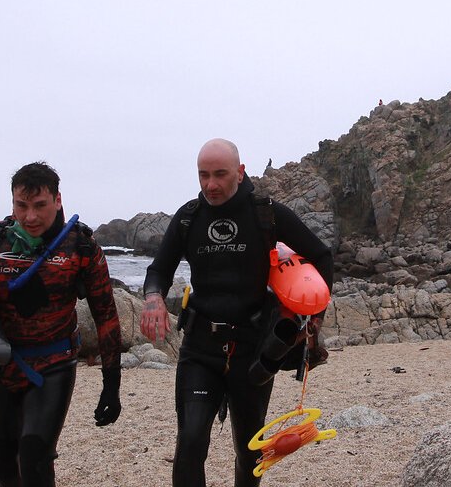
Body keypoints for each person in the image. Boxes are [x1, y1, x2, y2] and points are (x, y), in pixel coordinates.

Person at [140, 139, 333, 487]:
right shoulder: (188, 218)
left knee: (249, 451)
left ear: (240, 172)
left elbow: (321, 256)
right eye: (203, 175)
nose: (210, 185)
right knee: (191, 442)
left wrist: (314, 319)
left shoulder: (266, 213)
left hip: (253, 351)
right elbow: (159, 270)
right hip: (200, 349)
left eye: (220, 174)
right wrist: (153, 298)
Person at [0, 162, 122, 487]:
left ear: (58, 200)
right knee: (6, 468)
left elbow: (105, 315)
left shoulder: (82, 248)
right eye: (22, 205)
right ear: (12, 202)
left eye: (40, 206)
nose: (30, 217)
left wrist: (111, 383)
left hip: (53, 365)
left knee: (34, 459)